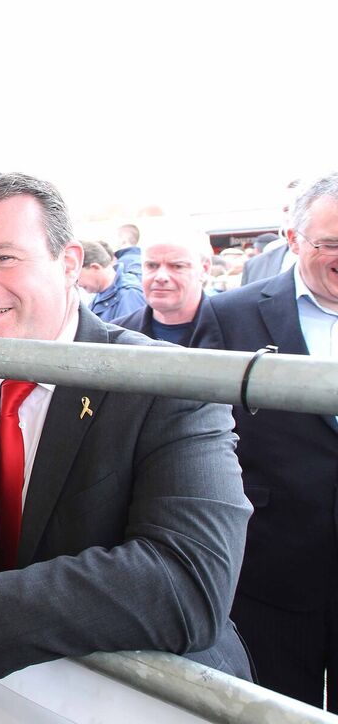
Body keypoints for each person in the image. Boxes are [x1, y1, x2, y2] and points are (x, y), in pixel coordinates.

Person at [0, 172, 251, 686]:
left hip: (151, 695)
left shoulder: (166, 383)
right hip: (3, 694)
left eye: (4, 257)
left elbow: (187, 580)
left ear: (70, 263)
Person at [191, 173, 338, 710]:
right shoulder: (233, 315)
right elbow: (203, 435)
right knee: (272, 710)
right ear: (293, 239)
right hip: (274, 565)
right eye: (331, 244)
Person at [114, 227, 216, 345]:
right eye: (152, 266)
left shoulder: (232, 330)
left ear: (205, 269)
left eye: (177, 266)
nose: (161, 277)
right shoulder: (118, 335)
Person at [76, 240, 144, 322]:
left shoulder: (129, 295)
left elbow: (132, 332)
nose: (77, 284)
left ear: (95, 267)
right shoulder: (102, 294)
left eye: (77, 276)